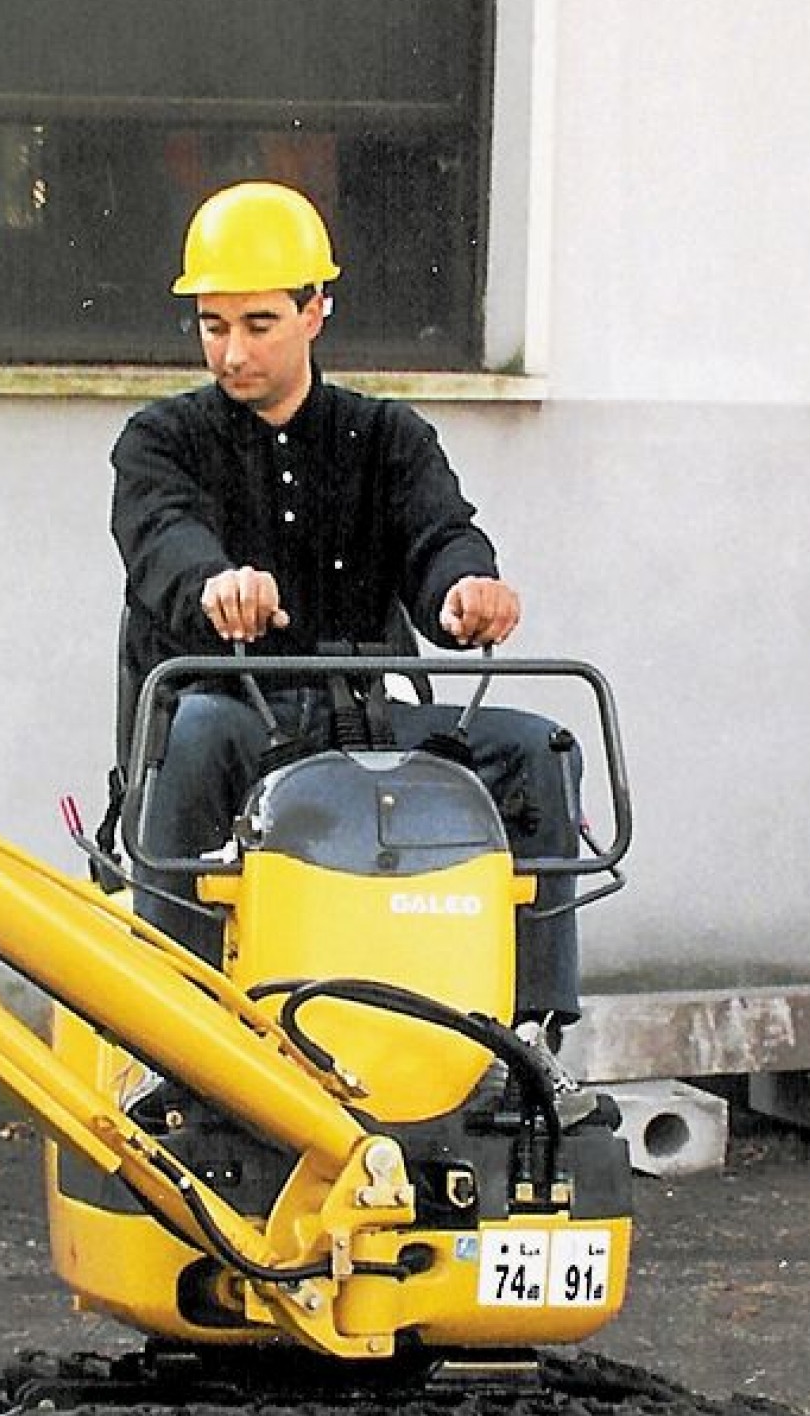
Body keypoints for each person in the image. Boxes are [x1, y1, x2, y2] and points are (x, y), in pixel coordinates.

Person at [109, 179, 580, 1036]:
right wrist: (214, 583)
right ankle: (167, 1027)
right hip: (236, 722)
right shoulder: (160, 440)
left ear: (316, 310)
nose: (231, 354)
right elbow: (162, 538)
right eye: (214, 326)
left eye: (258, 325)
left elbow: (441, 534)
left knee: (539, 750)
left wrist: (466, 590)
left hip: (368, 720)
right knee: (195, 731)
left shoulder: (389, 438)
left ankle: (529, 1033)